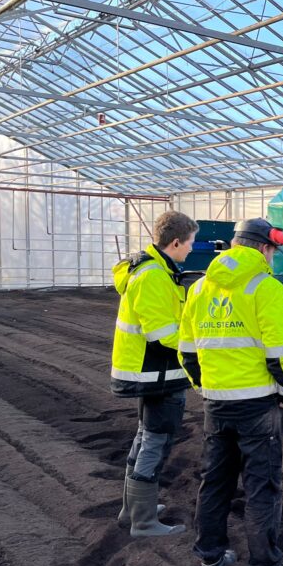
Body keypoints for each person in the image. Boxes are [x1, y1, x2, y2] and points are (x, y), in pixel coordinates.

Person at [179, 217, 283, 566]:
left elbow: (186, 351)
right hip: (257, 407)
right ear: (264, 248)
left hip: (216, 405)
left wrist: (205, 387)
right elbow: (281, 355)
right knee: (261, 487)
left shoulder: (200, 287)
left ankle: (211, 557)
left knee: (215, 482)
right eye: (272, 251)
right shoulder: (264, 288)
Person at [111, 210, 198, 537]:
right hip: (156, 374)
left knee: (145, 437)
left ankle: (132, 509)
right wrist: (201, 347)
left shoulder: (153, 270)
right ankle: (143, 521)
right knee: (155, 443)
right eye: (189, 243)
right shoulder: (153, 277)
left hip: (148, 374)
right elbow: (163, 334)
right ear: (175, 242)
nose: (191, 249)